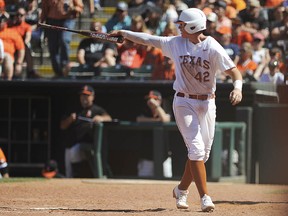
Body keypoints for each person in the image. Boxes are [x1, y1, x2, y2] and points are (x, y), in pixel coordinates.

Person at [109, 7, 243, 212]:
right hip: (184, 102)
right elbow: (148, 39)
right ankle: (205, 197)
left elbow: (235, 73)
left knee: (202, 155)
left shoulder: (212, 47)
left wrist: (238, 88)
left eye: (182, 25)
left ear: (193, 26)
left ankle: (181, 189)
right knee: (196, 150)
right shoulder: (176, 43)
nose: (179, 28)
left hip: (208, 103)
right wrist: (125, 34)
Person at [60, 85, 112, 178]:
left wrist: (101, 118)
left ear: (92, 97)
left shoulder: (96, 109)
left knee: (78, 154)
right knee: (69, 171)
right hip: (71, 144)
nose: (84, 98)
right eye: (82, 95)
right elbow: (62, 126)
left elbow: (109, 118)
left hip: (89, 145)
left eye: (87, 95)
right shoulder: (74, 108)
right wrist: (70, 119)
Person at [40, 0, 84, 78]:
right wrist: (41, 22)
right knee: (52, 46)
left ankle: (65, 67)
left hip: (67, 20)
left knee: (64, 40)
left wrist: (73, 8)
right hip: (51, 21)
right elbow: (44, 9)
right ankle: (58, 72)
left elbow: (80, 7)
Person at [136, 90, 171, 177]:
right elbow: (139, 119)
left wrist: (157, 106)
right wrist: (155, 121)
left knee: (167, 180)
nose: (150, 101)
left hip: (164, 154)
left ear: (159, 100)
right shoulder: (145, 108)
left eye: (153, 99)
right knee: (143, 180)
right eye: (149, 99)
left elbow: (165, 119)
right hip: (147, 153)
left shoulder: (165, 106)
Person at [0, 13, 25, 80]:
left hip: (7, 56)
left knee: (7, 57)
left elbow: (21, 48)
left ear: (5, 21)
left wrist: (19, 63)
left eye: (1, 20)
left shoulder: (12, 32)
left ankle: (8, 81)